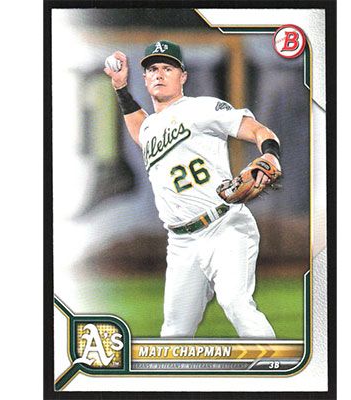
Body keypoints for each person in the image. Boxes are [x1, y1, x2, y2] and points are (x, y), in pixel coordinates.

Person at [104, 40, 281, 338]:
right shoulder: (150, 128)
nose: (159, 74)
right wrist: (121, 88)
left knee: (236, 304)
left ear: (183, 76)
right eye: (153, 69)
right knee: (174, 332)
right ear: (145, 79)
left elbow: (257, 130)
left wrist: (271, 153)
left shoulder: (202, 108)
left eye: (168, 68)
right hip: (181, 242)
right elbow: (139, 131)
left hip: (224, 227)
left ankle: (276, 365)